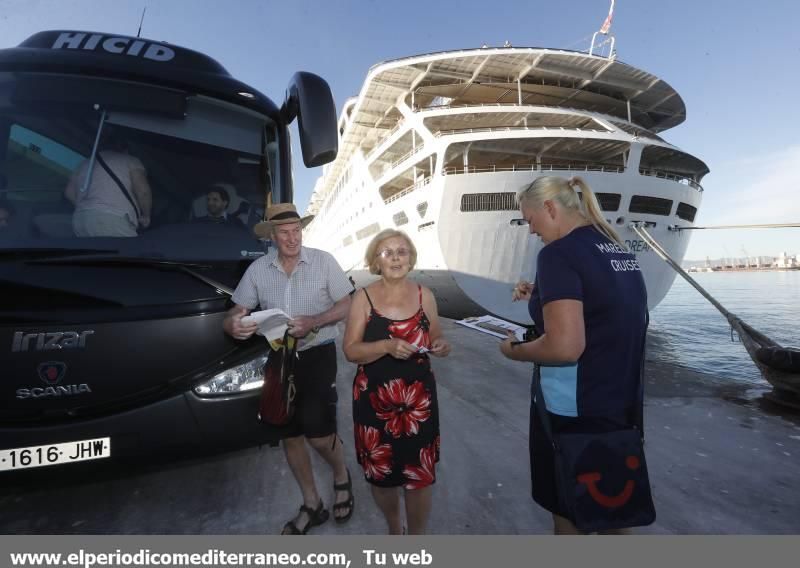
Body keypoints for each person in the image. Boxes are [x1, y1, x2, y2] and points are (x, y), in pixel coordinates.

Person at [499, 175, 648, 535]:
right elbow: (601, 307)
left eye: (530, 220)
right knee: (614, 508)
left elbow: (565, 347)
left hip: (572, 409)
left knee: (568, 512)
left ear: (550, 208)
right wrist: (541, 293)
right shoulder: (617, 249)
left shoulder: (557, 254)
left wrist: (514, 350)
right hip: (621, 404)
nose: (532, 231)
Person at [223, 202, 354, 535]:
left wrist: (316, 320)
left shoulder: (324, 261)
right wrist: (233, 325)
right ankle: (312, 503)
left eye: (297, 230)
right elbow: (236, 311)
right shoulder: (257, 270)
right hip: (280, 356)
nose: (293, 238)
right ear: (272, 236)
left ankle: (341, 474)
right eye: (285, 232)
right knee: (289, 433)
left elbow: (347, 304)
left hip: (318, 353)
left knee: (320, 434)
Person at [343, 229, 450, 535]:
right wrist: (385, 346)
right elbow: (351, 351)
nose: (395, 258)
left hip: (419, 404)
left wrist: (442, 345)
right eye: (387, 252)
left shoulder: (424, 295)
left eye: (402, 251)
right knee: (382, 476)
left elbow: (437, 335)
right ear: (375, 260)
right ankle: (394, 529)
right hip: (374, 403)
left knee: (420, 476)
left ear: (411, 258)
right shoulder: (363, 298)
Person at [64, 132, 152, 237]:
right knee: (129, 252)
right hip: (112, 218)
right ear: (125, 150)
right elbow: (143, 192)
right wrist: (146, 215)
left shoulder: (86, 162)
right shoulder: (130, 160)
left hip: (80, 219)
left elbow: (68, 192)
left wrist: (90, 207)